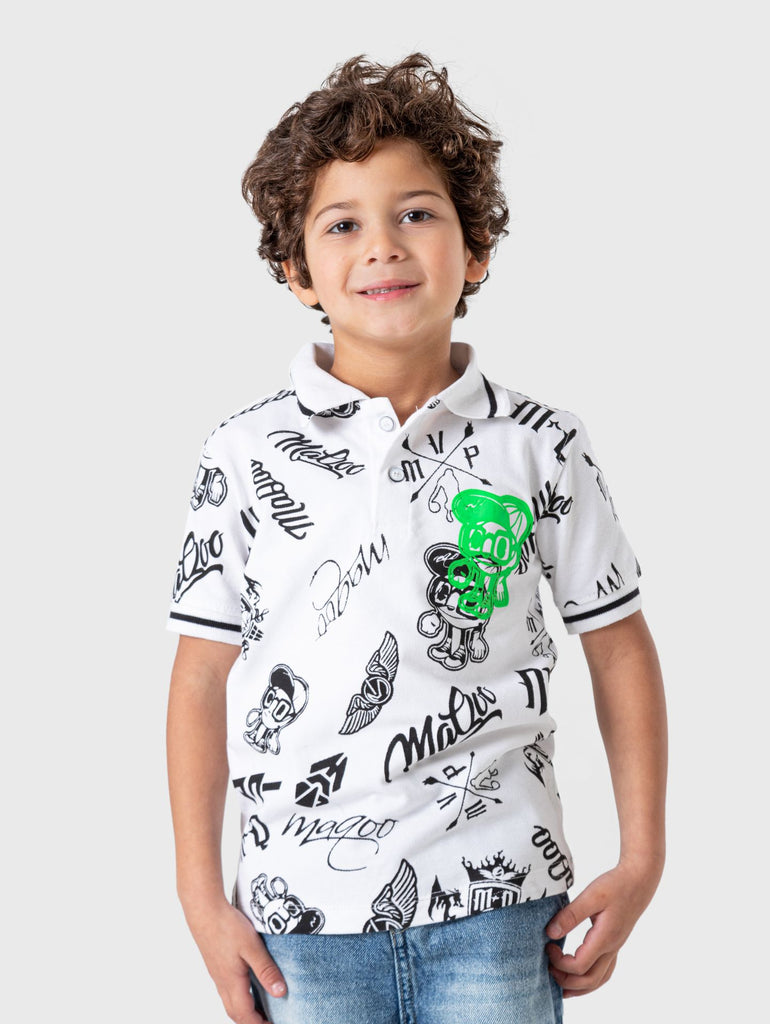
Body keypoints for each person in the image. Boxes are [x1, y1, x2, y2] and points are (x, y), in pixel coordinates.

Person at [166, 53, 667, 1024]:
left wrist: (641, 855)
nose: (382, 247)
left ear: (474, 249)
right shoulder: (240, 454)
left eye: (417, 213)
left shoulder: (540, 446)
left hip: (500, 907)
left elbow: (618, 647)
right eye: (341, 224)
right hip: (299, 922)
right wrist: (199, 895)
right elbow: (198, 680)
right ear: (295, 270)